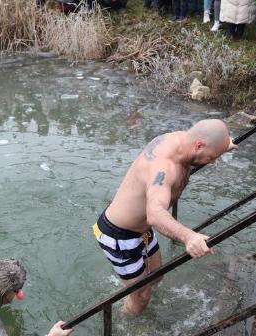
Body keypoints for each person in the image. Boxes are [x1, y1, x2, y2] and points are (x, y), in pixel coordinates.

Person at [93, 119, 237, 315]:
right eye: (212, 157)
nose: (213, 162)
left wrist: (222, 146)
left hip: (140, 230)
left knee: (155, 276)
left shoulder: (184, 141)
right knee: (142, 295)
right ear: (199, 145)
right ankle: (128, 323)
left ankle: (131, 292)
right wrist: (189, 237)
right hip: (119, 236)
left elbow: (208, 139)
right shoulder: (164, 168)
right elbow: (155, 213)